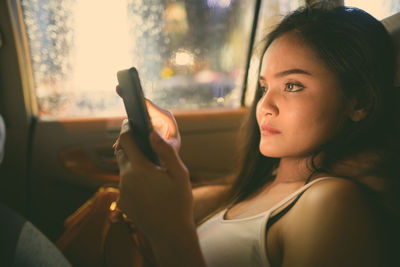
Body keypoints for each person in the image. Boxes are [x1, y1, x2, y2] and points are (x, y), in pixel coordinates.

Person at [114, 3, 400, 267]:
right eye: (264, 88)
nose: (264, 106)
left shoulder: (330, 203)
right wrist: (161, 161)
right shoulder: (260, 184)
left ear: (358, 103)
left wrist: (168, 234)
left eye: (292, 86)